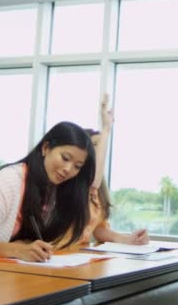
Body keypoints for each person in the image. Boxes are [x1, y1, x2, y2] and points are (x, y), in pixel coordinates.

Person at [0, 121, 96, 262]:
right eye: (65, 158)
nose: (68, 169)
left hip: (12, 275)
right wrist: (19, 250)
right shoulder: (9, 179)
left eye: (77, 166)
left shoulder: (55, 189)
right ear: (45, 148)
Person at [62, 94, 149, 250]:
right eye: (95, 145)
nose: (99, 150)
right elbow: (93, 178)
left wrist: (127, 239)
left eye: (101, 145)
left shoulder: (99, 189)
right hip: (59, 254)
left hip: (82, 254)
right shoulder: (71, 181)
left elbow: (98, 228)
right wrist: (106, 128)